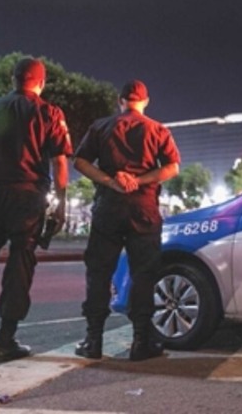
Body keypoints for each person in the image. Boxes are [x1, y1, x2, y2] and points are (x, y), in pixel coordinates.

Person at [0, 57, 72, 362]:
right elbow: (60, 160)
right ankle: (5, 340)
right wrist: (61, 204)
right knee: (20, 265)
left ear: (13, 79)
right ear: (41, 83)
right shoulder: (49, 112)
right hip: (29, 196)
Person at [72, 80, 180, 361]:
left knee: (99, 272)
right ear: (145, 102)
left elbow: (80, 162)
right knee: (144, 274)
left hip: (108, 206)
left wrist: (111, 181)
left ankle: (93, 340)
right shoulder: (158, 130)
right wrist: (139, 181)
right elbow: (172, 167)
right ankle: (141, 342)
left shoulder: (101, 126)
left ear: (120, 101)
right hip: (143, 209)